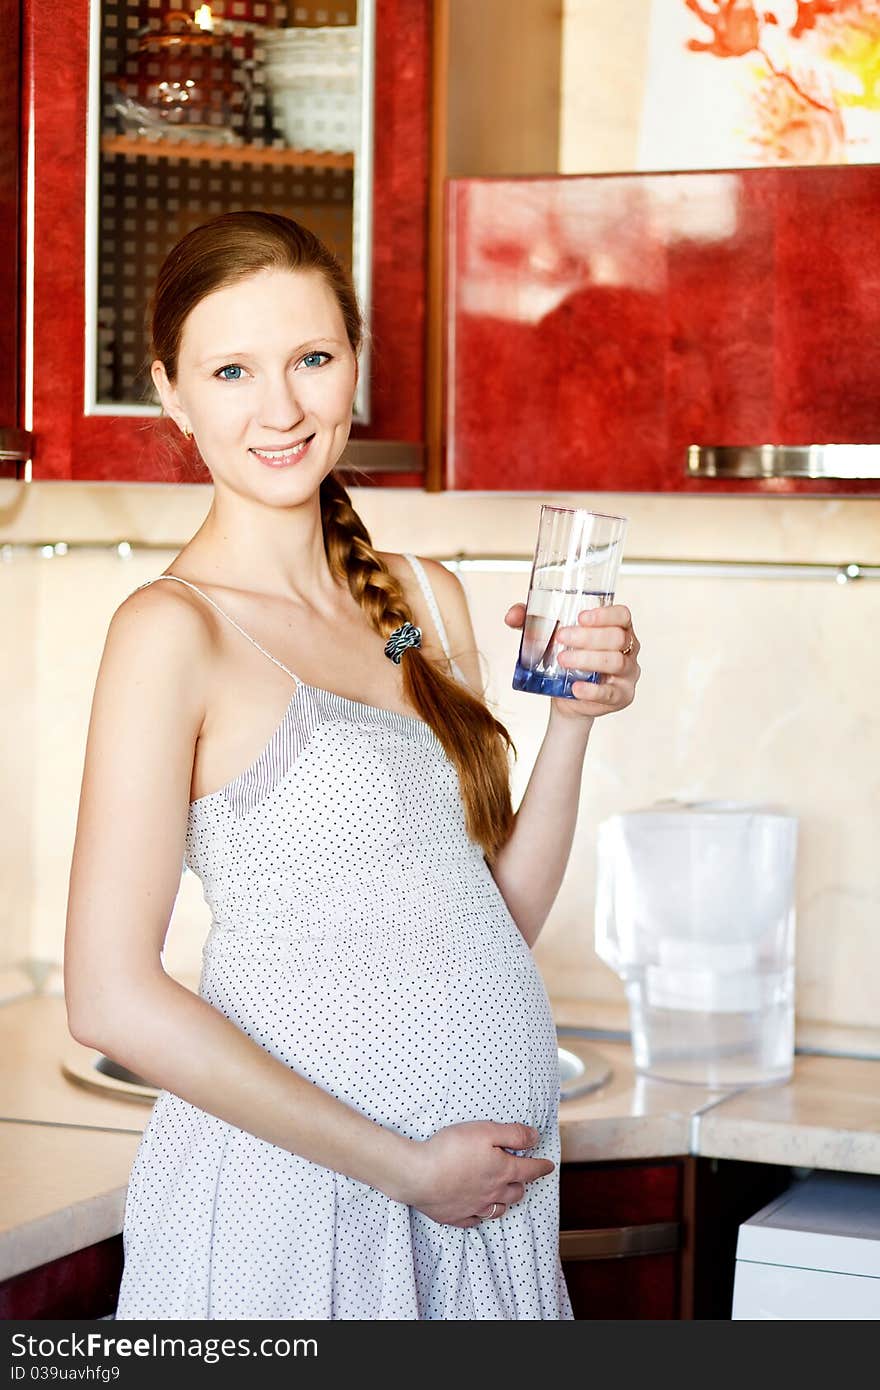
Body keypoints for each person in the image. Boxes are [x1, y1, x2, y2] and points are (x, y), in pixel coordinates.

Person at [64, 211, 641, 1320]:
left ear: (354, 367)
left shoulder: (426, 601)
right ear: (172, 396)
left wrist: (576, 720)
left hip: (481, 1212)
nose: (279, 409)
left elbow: (492, 914)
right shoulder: (170, 630)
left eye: (311, 359)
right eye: (231, 370)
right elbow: (108, 995)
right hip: (300, 1214)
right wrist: (406, 1167)